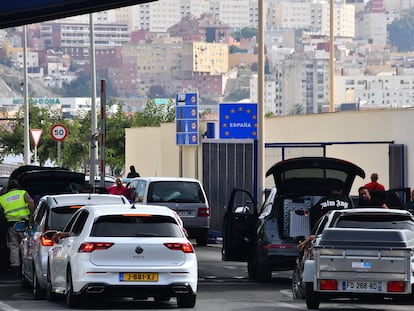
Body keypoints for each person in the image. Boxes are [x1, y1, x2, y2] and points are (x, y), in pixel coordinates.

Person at [0, 179, 34, 275]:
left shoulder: (3, 198)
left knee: (13, 246)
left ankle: (15, 266)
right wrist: (32, 215)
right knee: (26, 245)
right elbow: (31, 201)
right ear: (17, 186)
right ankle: (26, 265)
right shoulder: (22, 193)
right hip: (24, 223)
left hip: (11, 225)